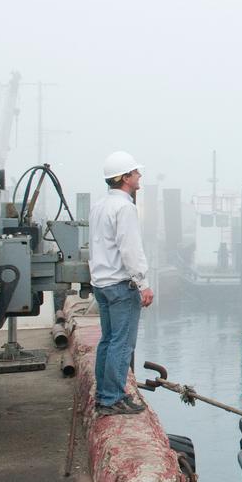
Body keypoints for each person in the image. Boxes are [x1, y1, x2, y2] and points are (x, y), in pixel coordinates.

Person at [88, 151, 154, 416]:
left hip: (101, 283)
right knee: (122, 343)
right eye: (135, 172)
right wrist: (144, 284)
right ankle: (111, 398)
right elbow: (130, 250)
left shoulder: (99, 206)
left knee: (108, 340)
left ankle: (105, 394)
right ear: (125, 178)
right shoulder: (125, 207)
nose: (139, 176)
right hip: (120, 284)